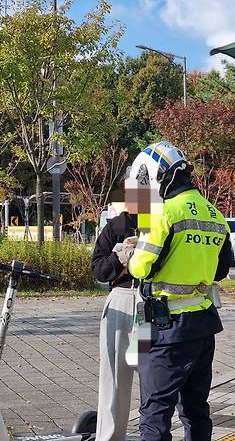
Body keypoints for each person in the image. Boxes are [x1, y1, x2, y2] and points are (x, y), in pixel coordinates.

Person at [126, 141, 233, 441]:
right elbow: (222, 270)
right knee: (196, 410)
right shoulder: (215, 215)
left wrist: (130, 253)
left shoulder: (165, 214)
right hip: (203, 325)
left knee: (155, 412)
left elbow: (141, 268)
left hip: (166, 329)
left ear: (158, 176)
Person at [91, 177, 141, 441]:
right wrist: (120, 257)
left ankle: (153, 433)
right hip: (121, 301)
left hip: (149, 306)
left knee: (151, 376)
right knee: (114, 377)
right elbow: (98, 270)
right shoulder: (116, 225)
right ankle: (110, 437)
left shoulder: (163, 223)